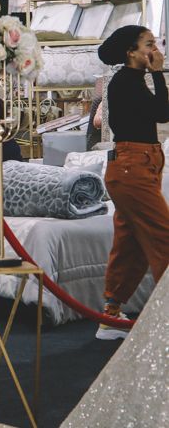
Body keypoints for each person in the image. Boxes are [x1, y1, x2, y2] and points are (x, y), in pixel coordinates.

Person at [95, 24, 169, 340]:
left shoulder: (133, 80)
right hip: (132, 168)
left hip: (137, 167)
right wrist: (158, 73)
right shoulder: (125, 81)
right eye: (148, 44)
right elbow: (163, 113)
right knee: (163, 237)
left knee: (131, 244)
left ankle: (110, 316)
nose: (155, 49)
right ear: (131, 52)